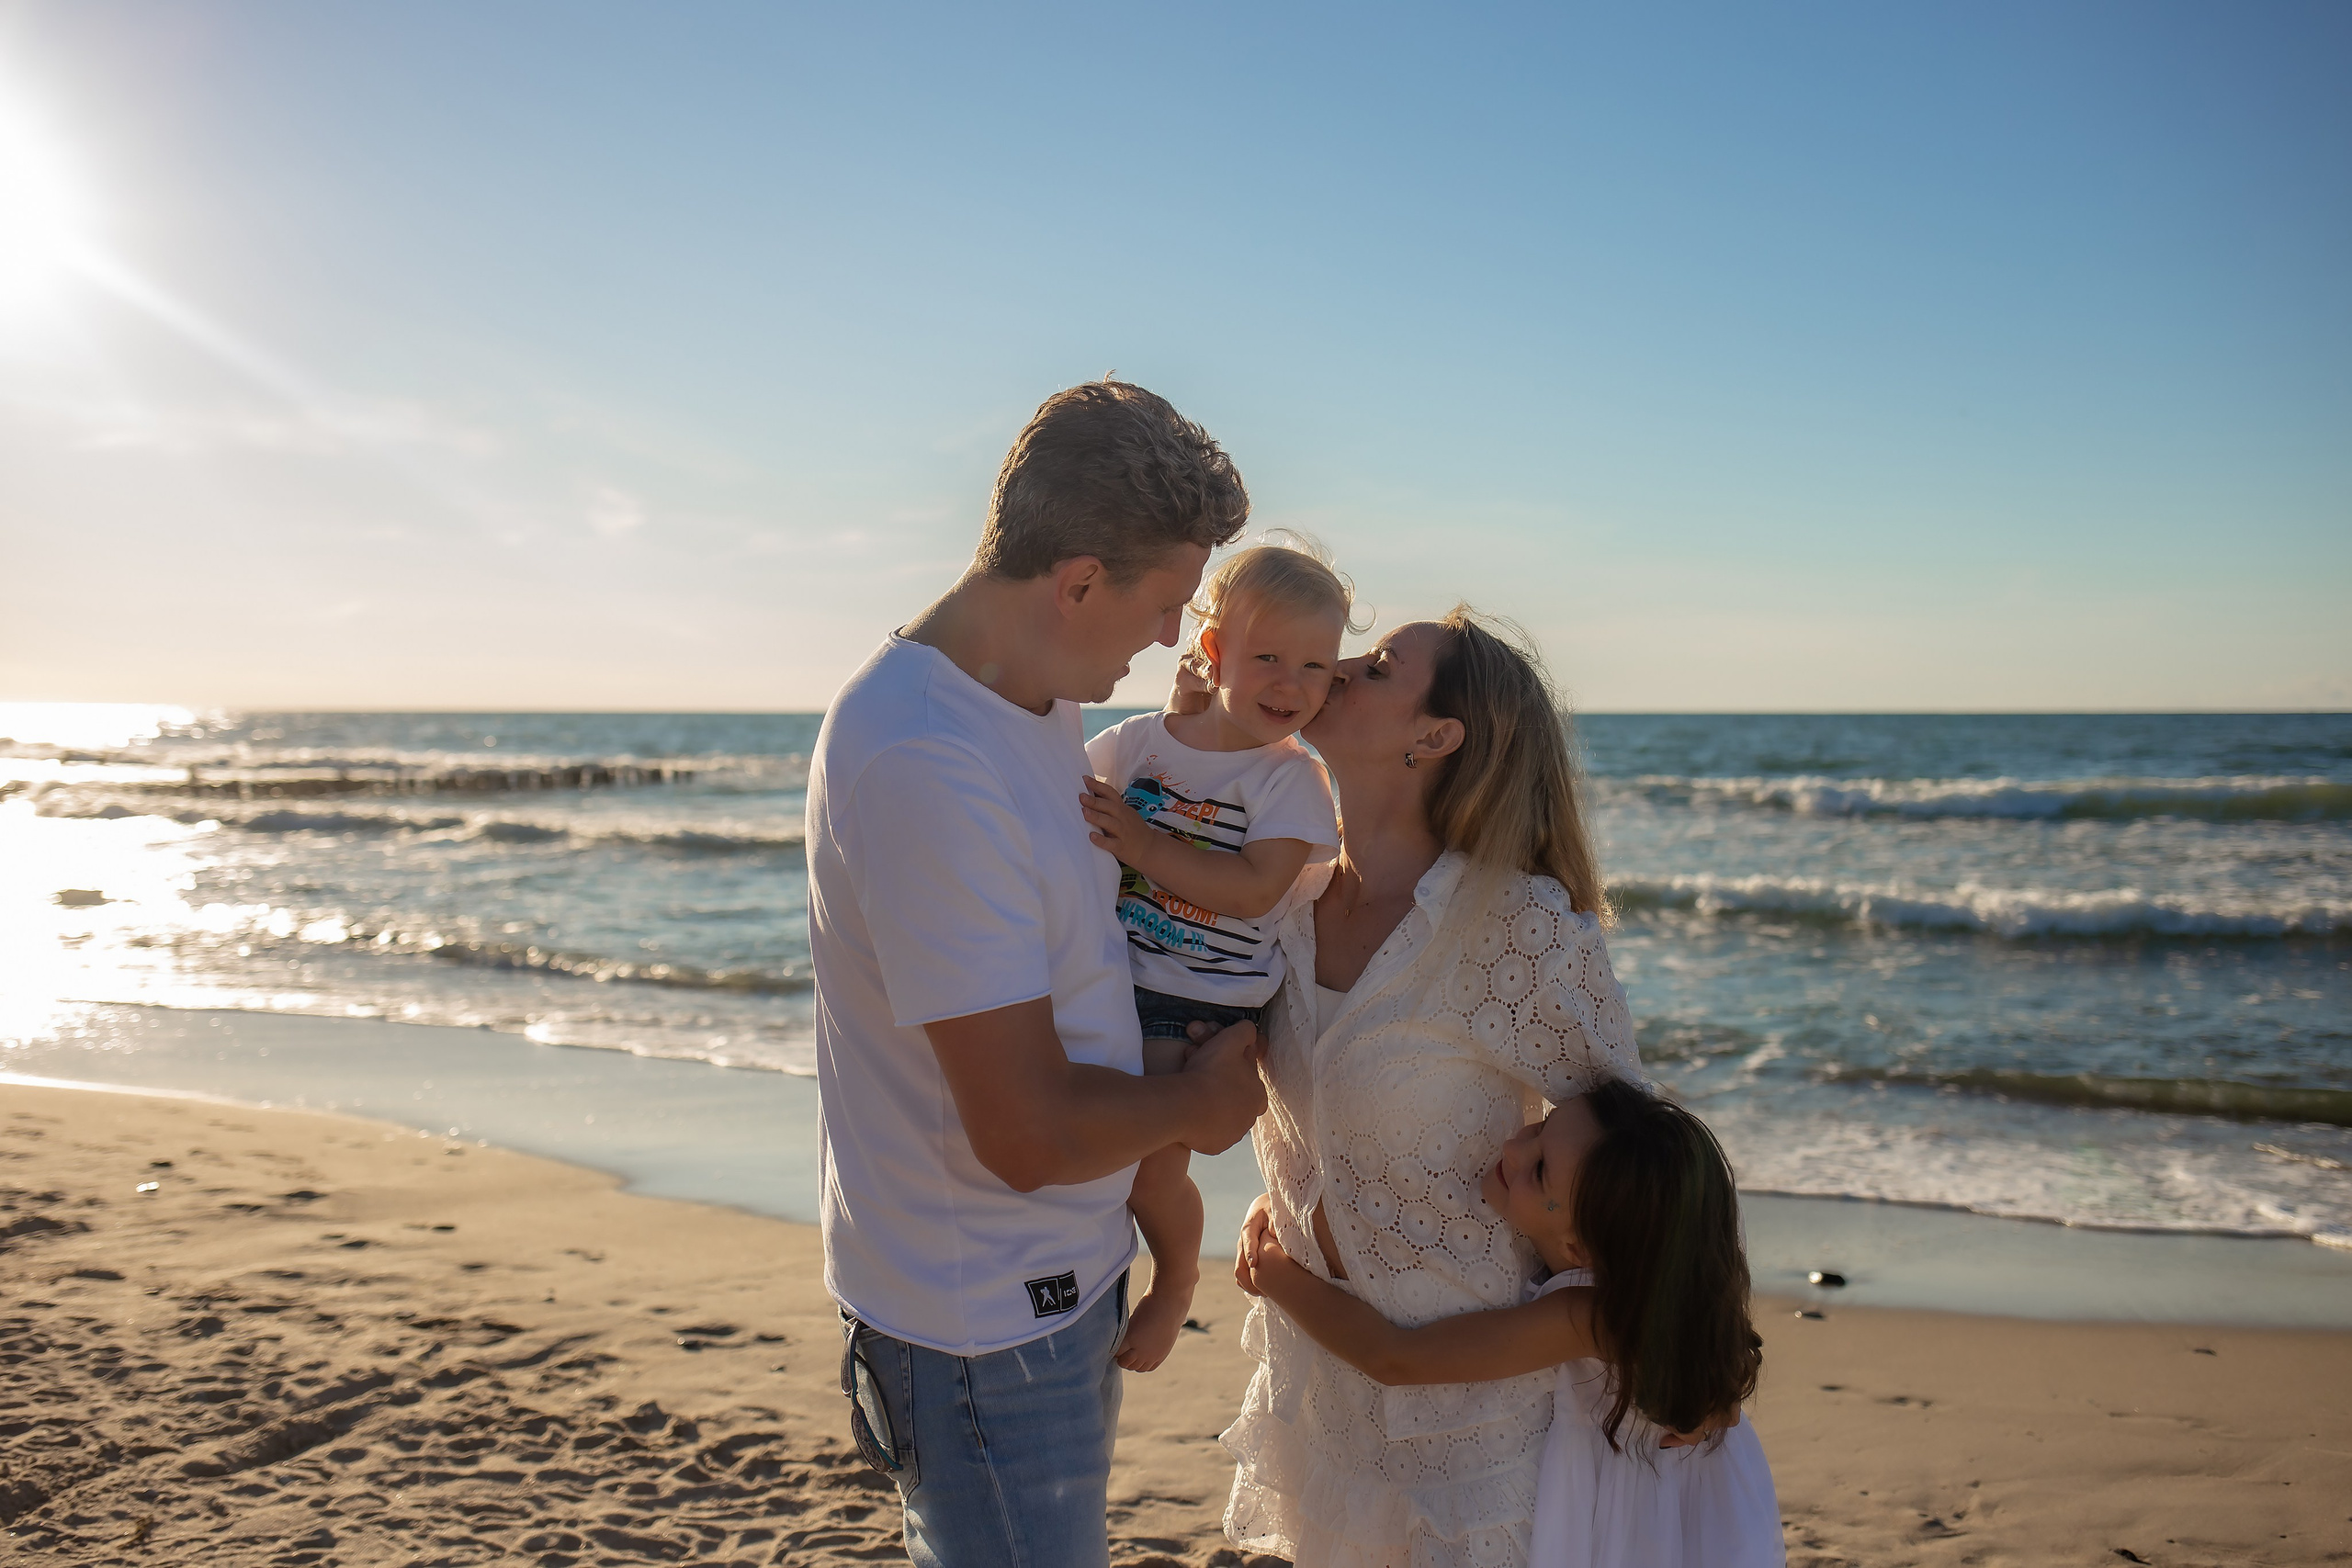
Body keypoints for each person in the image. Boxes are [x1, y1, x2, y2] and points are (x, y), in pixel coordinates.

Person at [805, 379, 1270, 1567]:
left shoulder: (1033, 691)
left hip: (1045, 1280)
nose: (1172, 636)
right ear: (1076, 580)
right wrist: (1208, 1106)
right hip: (981, 1323)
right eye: (1167, 601)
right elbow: (1022, 1131)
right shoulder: (924, 757)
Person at [1218, 606, 1644, 1568]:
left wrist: (1602, 1318)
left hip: (1475, 1431)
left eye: (1375, 668)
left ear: (1433, 737)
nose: (1337, 671)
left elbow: (1641, 1163)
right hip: (1321, 1393)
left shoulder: (1514, 930)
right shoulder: (1278, 906)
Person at [1238, 1080, 1782, 1568]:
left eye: (1540, 1167)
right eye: (1542, 1124)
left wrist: (1273, 1272)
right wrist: (1284, 1206)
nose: (1512, 1147)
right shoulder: (1654, 1288)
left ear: (1579, 1247)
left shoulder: (1587, 1316)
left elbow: (1395, 1357)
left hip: (1646, 1528)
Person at [1078, 544, 1355, 1371]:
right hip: (1105, 981)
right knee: (1079, 1142)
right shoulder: (1137, 745)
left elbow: (1252, 889)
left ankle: (1171, 1282)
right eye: (1266, 656)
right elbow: (1059, 814)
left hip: (1202, 1001)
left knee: (1147, 1167)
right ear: (1212, 652)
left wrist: (1143, 842)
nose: (1291, 682)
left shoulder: (1289, 779)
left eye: (1316, 664)